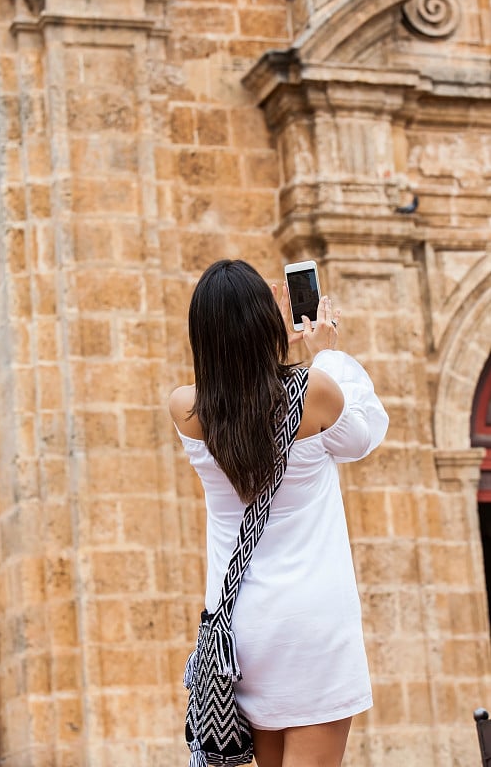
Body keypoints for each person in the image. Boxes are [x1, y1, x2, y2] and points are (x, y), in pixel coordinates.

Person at [169, 259, 389, 767]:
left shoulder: (187, 409)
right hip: (311, 625)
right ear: (264, 324)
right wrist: (327, 355)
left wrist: (264, 348)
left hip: (243, 633)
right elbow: (364, 433)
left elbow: (246, 398)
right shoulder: (314, 392)